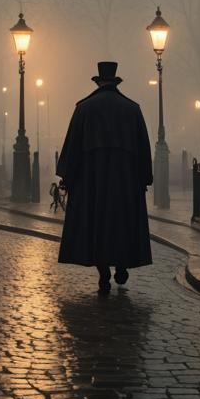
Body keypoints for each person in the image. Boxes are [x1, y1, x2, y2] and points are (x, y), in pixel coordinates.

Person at [56, 61, 153, 295]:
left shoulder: (84, 109)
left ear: (98, 82)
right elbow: (143, 149)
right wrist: (144, 178)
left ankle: (103, 275)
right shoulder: (132, 109)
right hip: (125, 182)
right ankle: (121, 265)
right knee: (122, 224)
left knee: (95, 227)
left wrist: (68, 177)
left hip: (93, 182)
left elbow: (72, 148)